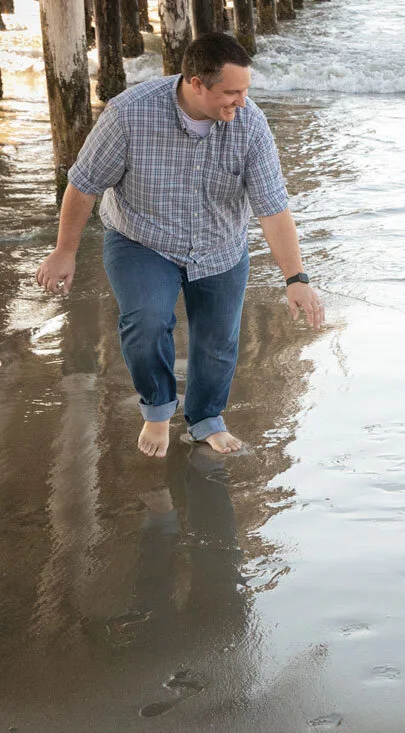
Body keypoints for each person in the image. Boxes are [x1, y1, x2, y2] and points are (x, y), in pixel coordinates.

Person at [34, 33, 323, 458]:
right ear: (195, 83)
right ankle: (157, 408)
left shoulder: (251, 123)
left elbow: (273, 208)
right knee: (148, 321)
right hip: (141, 239)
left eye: (246, 91)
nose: (241, 102)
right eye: (231, 92)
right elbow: (83, 185)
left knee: (217, 340)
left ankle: (206, 419)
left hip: (219, 243)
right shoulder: (129, 114)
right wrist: (64, 250)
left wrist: (295, 278)